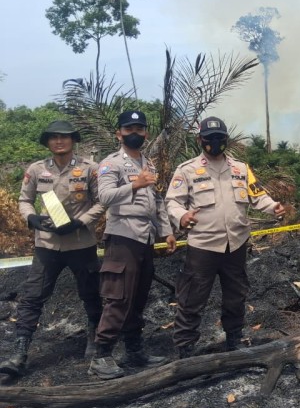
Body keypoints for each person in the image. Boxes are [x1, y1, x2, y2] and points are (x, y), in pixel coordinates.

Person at [166, 117, 285, 358]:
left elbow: (257, 195)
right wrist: (181, 216)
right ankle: (185, 350)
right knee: (192, 298)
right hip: (203, 246)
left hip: (236, 244)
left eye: (219, 138)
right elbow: (172, 201)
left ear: (226, 140)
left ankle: (234, 340)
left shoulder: (240, 168)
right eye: (209, 139)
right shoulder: (186, 170)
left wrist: (274, 207)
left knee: (235, 296)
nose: (215, 143)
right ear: (200, 139)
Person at [0, 121, 105, 377]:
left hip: (81, 243)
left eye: (65, 137)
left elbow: (102, 202)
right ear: (47, 142)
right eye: (54, 137)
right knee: (33, 296)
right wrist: (31, 217)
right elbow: (25, 200)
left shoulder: (89, 169)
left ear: (73, 141)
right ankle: (20, 353)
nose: (59, 141)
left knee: (90, 294)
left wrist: (81, 221)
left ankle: (96, 340)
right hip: (47, 245)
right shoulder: (36, 169)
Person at [88, 110, 177, 380]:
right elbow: (104, 196)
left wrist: (167, 231)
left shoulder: (148, 163)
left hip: (146, 238)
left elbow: (157, 201)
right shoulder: (111, 163)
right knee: (118, 297)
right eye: (129, 129)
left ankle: (134, 350)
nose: (135, 133)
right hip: (122, 236)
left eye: (139, 128)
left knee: (138, 297)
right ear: (119, 134)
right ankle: (102, 355)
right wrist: (134, 186)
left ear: (146, 133)